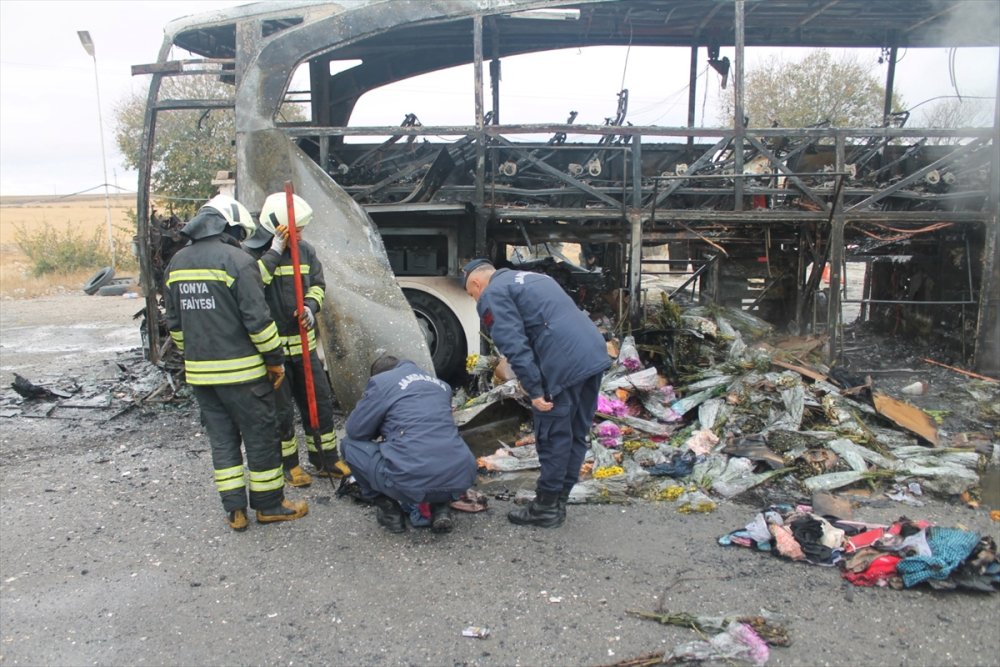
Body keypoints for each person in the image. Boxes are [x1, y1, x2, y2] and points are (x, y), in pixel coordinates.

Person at [164, 195, 308, 531]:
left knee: (223, 440)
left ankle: (235, 511)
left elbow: (175, 325)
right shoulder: (238, 261)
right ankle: (270, 505)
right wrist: (275, 360)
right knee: (260, 436)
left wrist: (194, 359)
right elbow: (258, 322)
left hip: (202, 378)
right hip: (244, 375)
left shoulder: (177, 264)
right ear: (229, 226)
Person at [462, 258, 610, 528]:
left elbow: (514, 345)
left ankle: (545, 507)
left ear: (476, 282)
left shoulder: (493, 293)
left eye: (473, 295)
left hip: (562, 364)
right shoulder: (533, 278)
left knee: (552, 436)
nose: (476, 301)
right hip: (591, 355)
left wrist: (535, 389)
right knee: (576, 432)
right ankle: (558, 501)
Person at [242, 192, 350, 485]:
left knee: (320, 402)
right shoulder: (252, 255)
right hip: (272, 352)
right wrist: (274, 252)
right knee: (280, 412)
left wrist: (310, 308)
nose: (301, 235)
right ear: (278, 226)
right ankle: (289, 465)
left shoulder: (307, 252)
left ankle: (325, 459)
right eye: (297, 229)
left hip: (304, 348)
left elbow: (317, 285)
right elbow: (252, 286)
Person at [341, 354, 477, 534]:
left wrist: (379, 427)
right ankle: (440, 507)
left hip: (409, 480)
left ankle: (389, 512)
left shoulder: (382, 383)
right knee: (440, 441)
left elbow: (356, 431)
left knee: (349, 445)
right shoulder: (441, 386)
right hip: (460, 476)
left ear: (379, 374)